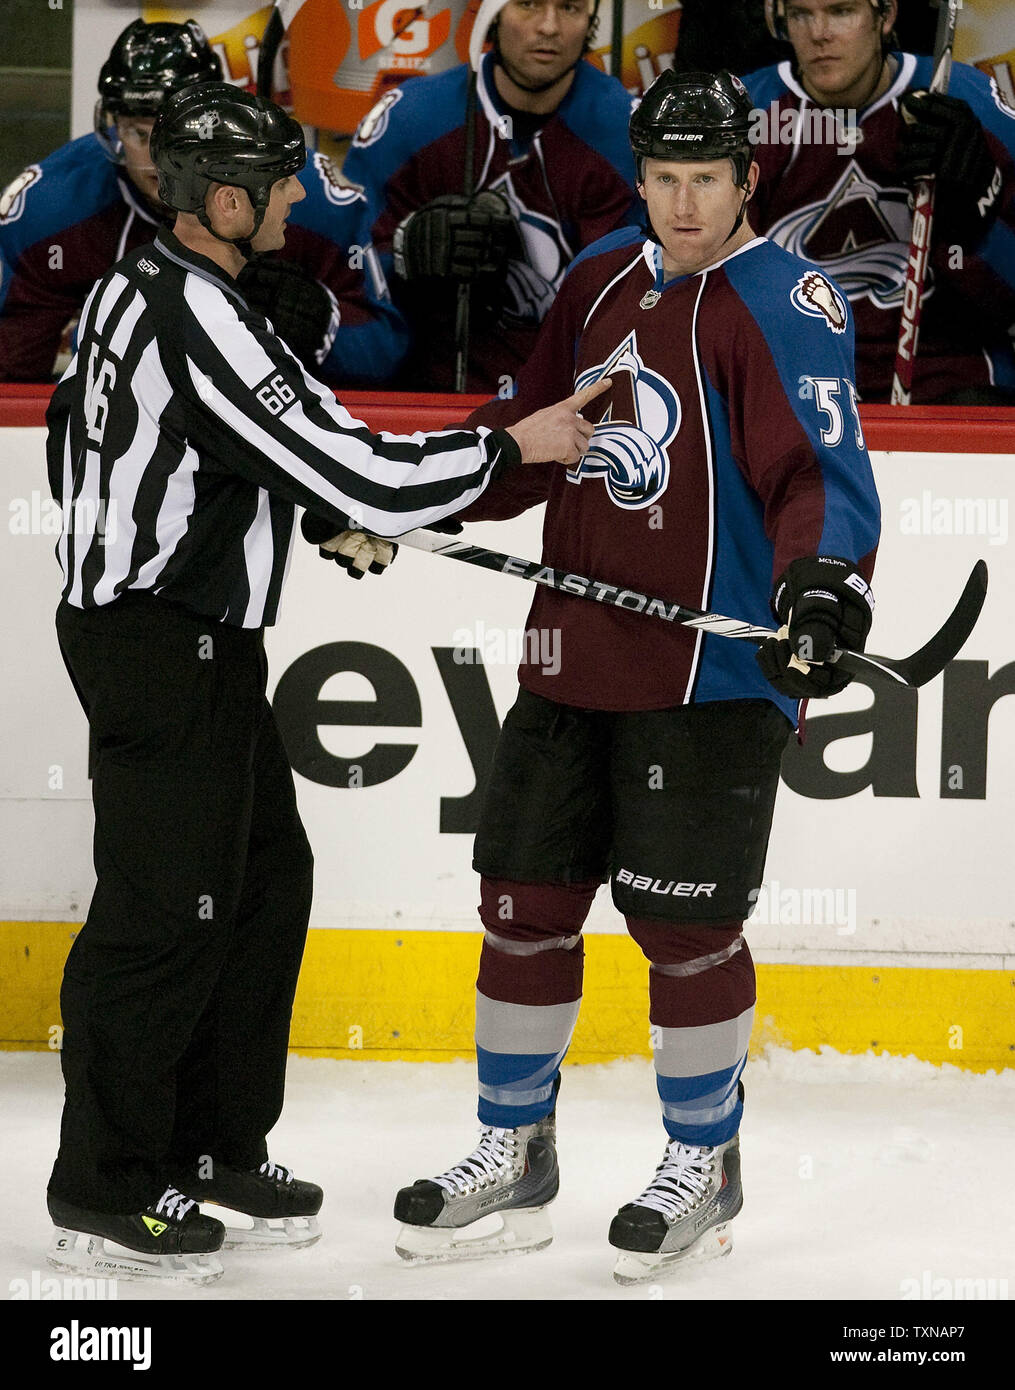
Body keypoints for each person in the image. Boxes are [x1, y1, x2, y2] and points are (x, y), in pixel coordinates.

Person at [44, 79, 607, 1286]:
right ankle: (106, 1183)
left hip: (192, 638)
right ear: (228, 200)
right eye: (283, 185)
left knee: (257, 885)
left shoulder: (150, 290)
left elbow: (210, 449)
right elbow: (354, 466)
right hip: (159, 644)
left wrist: (305, 500)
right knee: (167, 913)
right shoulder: (200, 313)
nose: (303, 199)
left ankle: (208, 1146)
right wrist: (515, 446)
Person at [389, 69, 881, 1284]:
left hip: (710, 674)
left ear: (744, 178)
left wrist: (820, 582)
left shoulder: (785, 298)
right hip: (571, 650)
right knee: (522, 900)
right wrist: (398, 496)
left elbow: (816, 470)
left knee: (684, 924)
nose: (681, 203)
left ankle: (701, 1161)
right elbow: (529, 425)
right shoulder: (600, 274)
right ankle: (513, 1147)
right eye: (662, 178)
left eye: (703, 179)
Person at [0, 18, 407, 385]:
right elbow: (13, 382)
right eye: (139, 135)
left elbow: (388, 352)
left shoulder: (307, 198)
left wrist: (322, 327)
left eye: (173, 133)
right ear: (113, 128)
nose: (157, 159)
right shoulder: (50, 209)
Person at [341, 0, 640, 393]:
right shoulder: (408, 121)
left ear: (591, 19)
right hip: (425, 407)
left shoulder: (625, 135)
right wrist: (405, 253)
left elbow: (642, 300)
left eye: (569, 7)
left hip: (568, 411)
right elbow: (344, 270)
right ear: (491, 13)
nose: (548, 27)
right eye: (528, 4)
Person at [741, 0, 1015, 404]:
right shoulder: (744, 114)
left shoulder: (963, 99)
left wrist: (975, 222)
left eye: (841, 11)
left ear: (885, 17)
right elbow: (697, 284)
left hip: (948, 382)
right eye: (801, 14)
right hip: (794, 387)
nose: (819, 33)